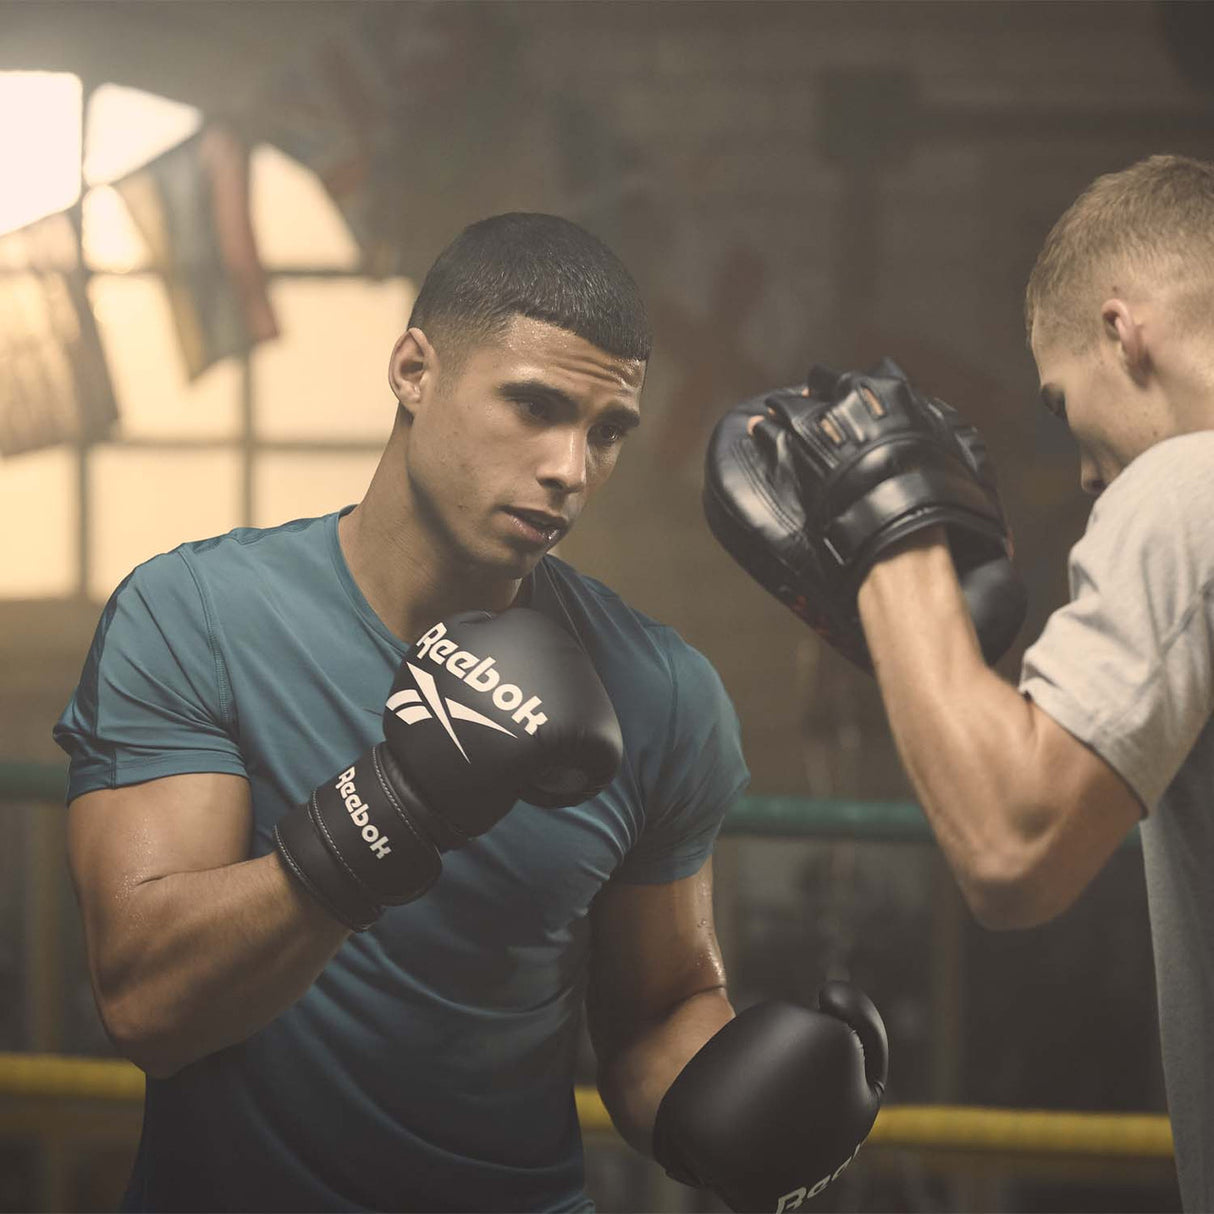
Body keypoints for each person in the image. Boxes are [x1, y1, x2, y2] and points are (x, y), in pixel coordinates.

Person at [55, 212, 886, 1214]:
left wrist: (748, 1110)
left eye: (606, 429)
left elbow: (657, 1009)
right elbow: (148, 999)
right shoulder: (196, 616)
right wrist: (395, 805)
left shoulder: (660, 689)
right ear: (413, 368)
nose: (570, 467)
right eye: (532, 405)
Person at [705, 154, 1214, 1213]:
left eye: (1061, 404)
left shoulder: (1183, 489)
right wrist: (943, 666)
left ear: (1126, 334)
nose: (1081, 471)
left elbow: (1012, 844)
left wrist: (891, 535)